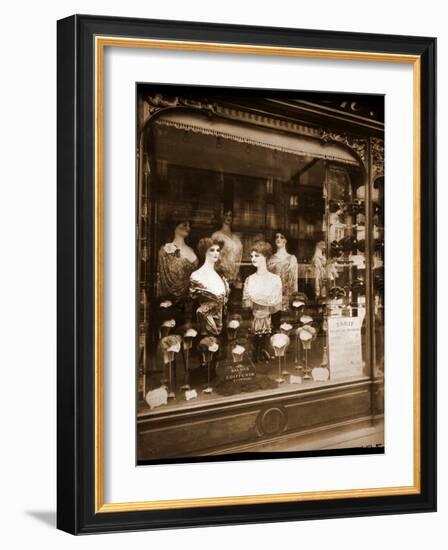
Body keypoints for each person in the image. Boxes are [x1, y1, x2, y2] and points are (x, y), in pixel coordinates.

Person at [189, 238, 229, 336]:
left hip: (222, 322)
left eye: (218, 250)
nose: (216, 253)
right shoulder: (197, 275)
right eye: (212, 250)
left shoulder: (220, 275)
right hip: (205, 323)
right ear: (204, 252)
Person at [158, 219, 199, 300]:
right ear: (175, 226)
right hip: (173, 299)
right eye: (184, 225)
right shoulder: (165, 250)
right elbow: (163, 279)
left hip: (192, 297)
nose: (188, 228)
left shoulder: (191, 249)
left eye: (189, 225)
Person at [267, 231, 298, 311]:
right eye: (276, 237)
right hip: (273, 298)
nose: (278, 239)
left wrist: (295, 298)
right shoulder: (270, 259)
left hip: (288, 297)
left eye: (281, 237)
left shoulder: (292, 259)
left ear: (286, 240)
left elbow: (295, 281)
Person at [212, 209, 243, 284]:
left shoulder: (237, 238)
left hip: (235, 277)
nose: (229, 217)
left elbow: (239, 257)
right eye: (226, 215)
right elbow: (213, 257)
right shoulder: (217, 236)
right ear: (222, 216)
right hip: (221, 277)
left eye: (231, 215)